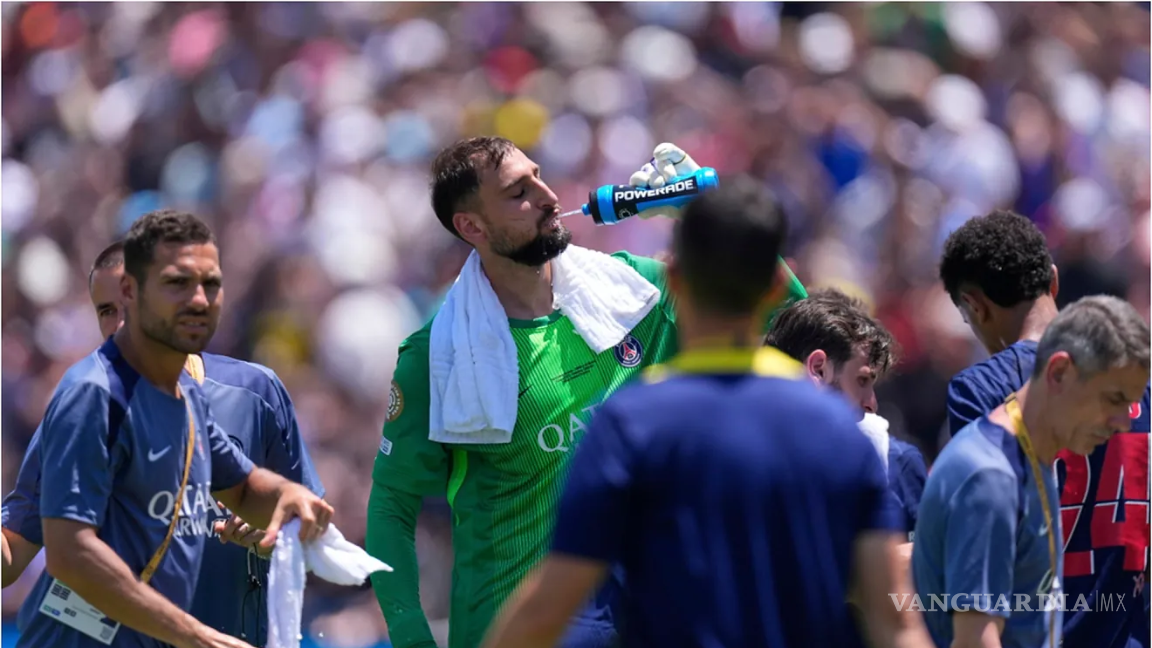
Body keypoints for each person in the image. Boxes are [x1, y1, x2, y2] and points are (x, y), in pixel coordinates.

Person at [365, 138, 807, 648]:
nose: (549, 196)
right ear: (472, 227)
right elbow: (391, 508)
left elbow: (790, 319)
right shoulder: (435, 356)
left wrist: (714, 223)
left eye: (538, 175)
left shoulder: (633, 292)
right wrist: (410, 635)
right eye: (518, 193)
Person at [480, 178, 933, 648]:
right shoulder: (838, 430)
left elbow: (548, 608)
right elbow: (895, 620)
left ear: (673, 279)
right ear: (776, 285)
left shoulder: (630, 425)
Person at [12, 210, 333, 648]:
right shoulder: (90, 396)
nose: (119, 322)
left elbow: (244, 489)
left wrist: (288, 510)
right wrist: (197, 637)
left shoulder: (198, 395)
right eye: (106, 310)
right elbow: (61, 553)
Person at [939, 210, 1151, 648]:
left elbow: (985, 550)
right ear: (1053, 281)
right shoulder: (1139, 377)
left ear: (974, 306)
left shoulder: (980, 390)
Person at [765, 288, 926, 539]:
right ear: (818, 369)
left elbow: (925, 571)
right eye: (862, 380)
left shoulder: (895, 460)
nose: (872, 404)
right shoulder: (741, 462)